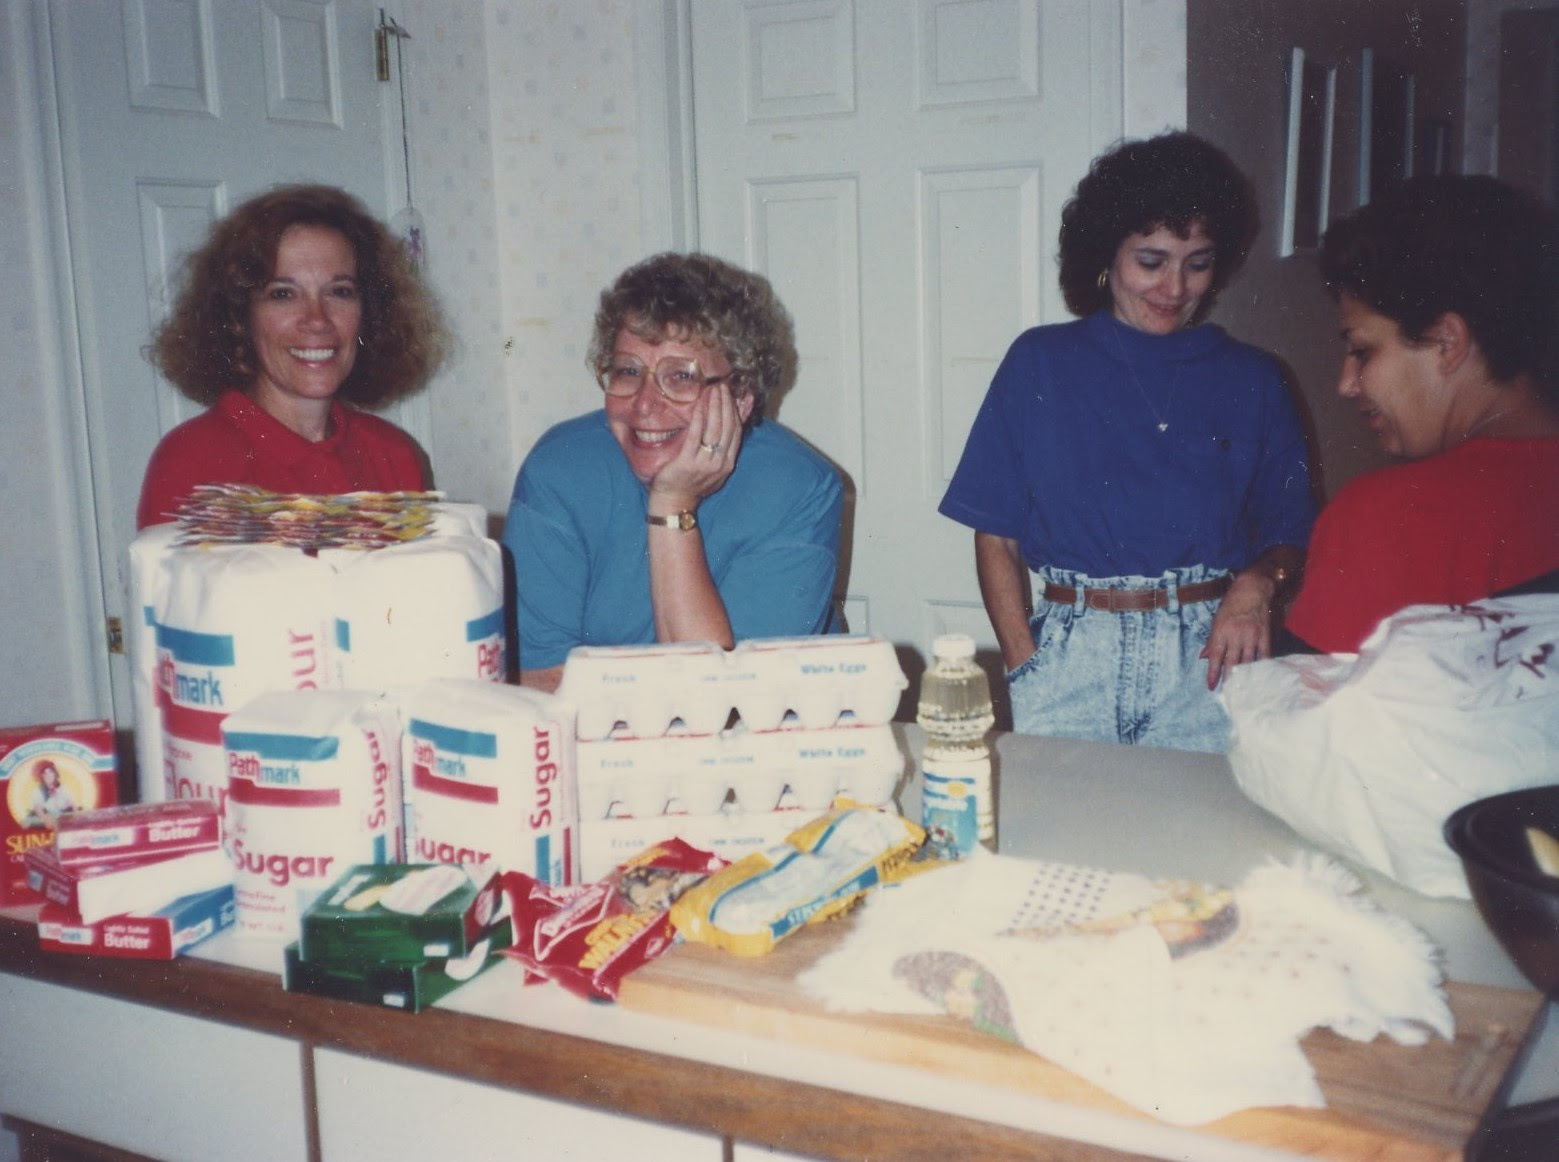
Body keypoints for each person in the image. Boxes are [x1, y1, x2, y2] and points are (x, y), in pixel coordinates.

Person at [939, 132, 1316, 751]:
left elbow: (1291, 531)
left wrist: (1256, 584)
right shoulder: (1040, 364)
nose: (1174, 288)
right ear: (1105, 253)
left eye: (1197, 263)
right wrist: (1023, 661)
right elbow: (996, 535)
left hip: (1209, 662)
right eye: (1151, 260)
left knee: (1198, 839)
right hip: (1068, 657)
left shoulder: (1254, 378)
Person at [502, 252, 843, 692]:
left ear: (740, 397)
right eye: (628, 371)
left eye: (680, 377)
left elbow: (729, 699)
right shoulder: (561, 469)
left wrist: (672, 506)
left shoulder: (797, 488)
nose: (644, 404)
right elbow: (541, 676)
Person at [1283, 175, 1559, 654]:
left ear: (1447, 342)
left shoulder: (1385, 516)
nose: (1346, 383)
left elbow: (1313, 722)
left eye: (1362, 350)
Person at [136, 184, 449, 527]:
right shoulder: (192, 461)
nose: (317, 319)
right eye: (283, 294)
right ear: (239, 316)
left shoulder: (394, 454)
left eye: (340, 292)